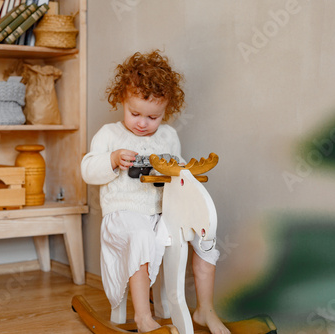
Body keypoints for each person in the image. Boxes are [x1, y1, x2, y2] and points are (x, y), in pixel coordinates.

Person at [81, 50, 230, 334]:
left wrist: (180, 171)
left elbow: (174, 173)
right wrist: (111, 160)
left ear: (166, 111)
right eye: (135, 113)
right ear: (121, 100)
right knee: (141, 235)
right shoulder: (109, 134)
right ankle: (142, 317)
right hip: (123, 212)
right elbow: (87, 169)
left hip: (161, 213)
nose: (142, 123)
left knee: (204, 235)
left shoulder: (168, 136)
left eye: (153, 117)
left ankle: (204, 309)